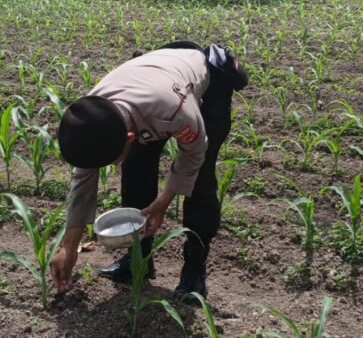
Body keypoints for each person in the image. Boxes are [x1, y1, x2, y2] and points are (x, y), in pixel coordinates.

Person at [50, 41, 248, 301]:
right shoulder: (94, 114)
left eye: (112, 161)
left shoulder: (177, 113)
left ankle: (194, 269)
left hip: (201, 87)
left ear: (130, 137)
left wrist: (163, 201)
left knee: (199, 181)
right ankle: (138, 262)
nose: (111, 166)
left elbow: (194, 154)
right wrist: (69, 246)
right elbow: (83, 175)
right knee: (135, 170)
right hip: (150, 83)